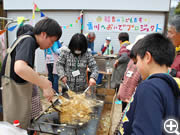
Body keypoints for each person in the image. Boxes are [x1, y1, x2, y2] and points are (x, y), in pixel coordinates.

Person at [1, 18, 62, 129]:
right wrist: (43, 84)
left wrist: (41, 80)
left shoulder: (25, 40)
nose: (51, 45)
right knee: (16, 130)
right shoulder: (29, 40)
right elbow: (20, 68)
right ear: (44, 34)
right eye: (52, 41)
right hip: (14, 96)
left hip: (15, 93)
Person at [115, 33, 180, 135]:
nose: (136, 66)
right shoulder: (171, 86)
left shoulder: (149, 88)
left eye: (138, 61)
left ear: (147, 57)